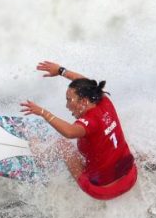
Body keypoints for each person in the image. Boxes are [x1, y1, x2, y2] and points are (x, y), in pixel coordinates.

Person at [20, 60, 137, 200]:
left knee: (62, 145)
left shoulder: (89, 123)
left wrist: (43, 112)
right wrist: (60, 71)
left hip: (103, 190)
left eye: (69, 100)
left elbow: (69, 132)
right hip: (131, 177)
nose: (67, 105)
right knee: (119, 145)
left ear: (83, 101)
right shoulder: (103, 99)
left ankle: (40, 157)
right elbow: (87, 83)